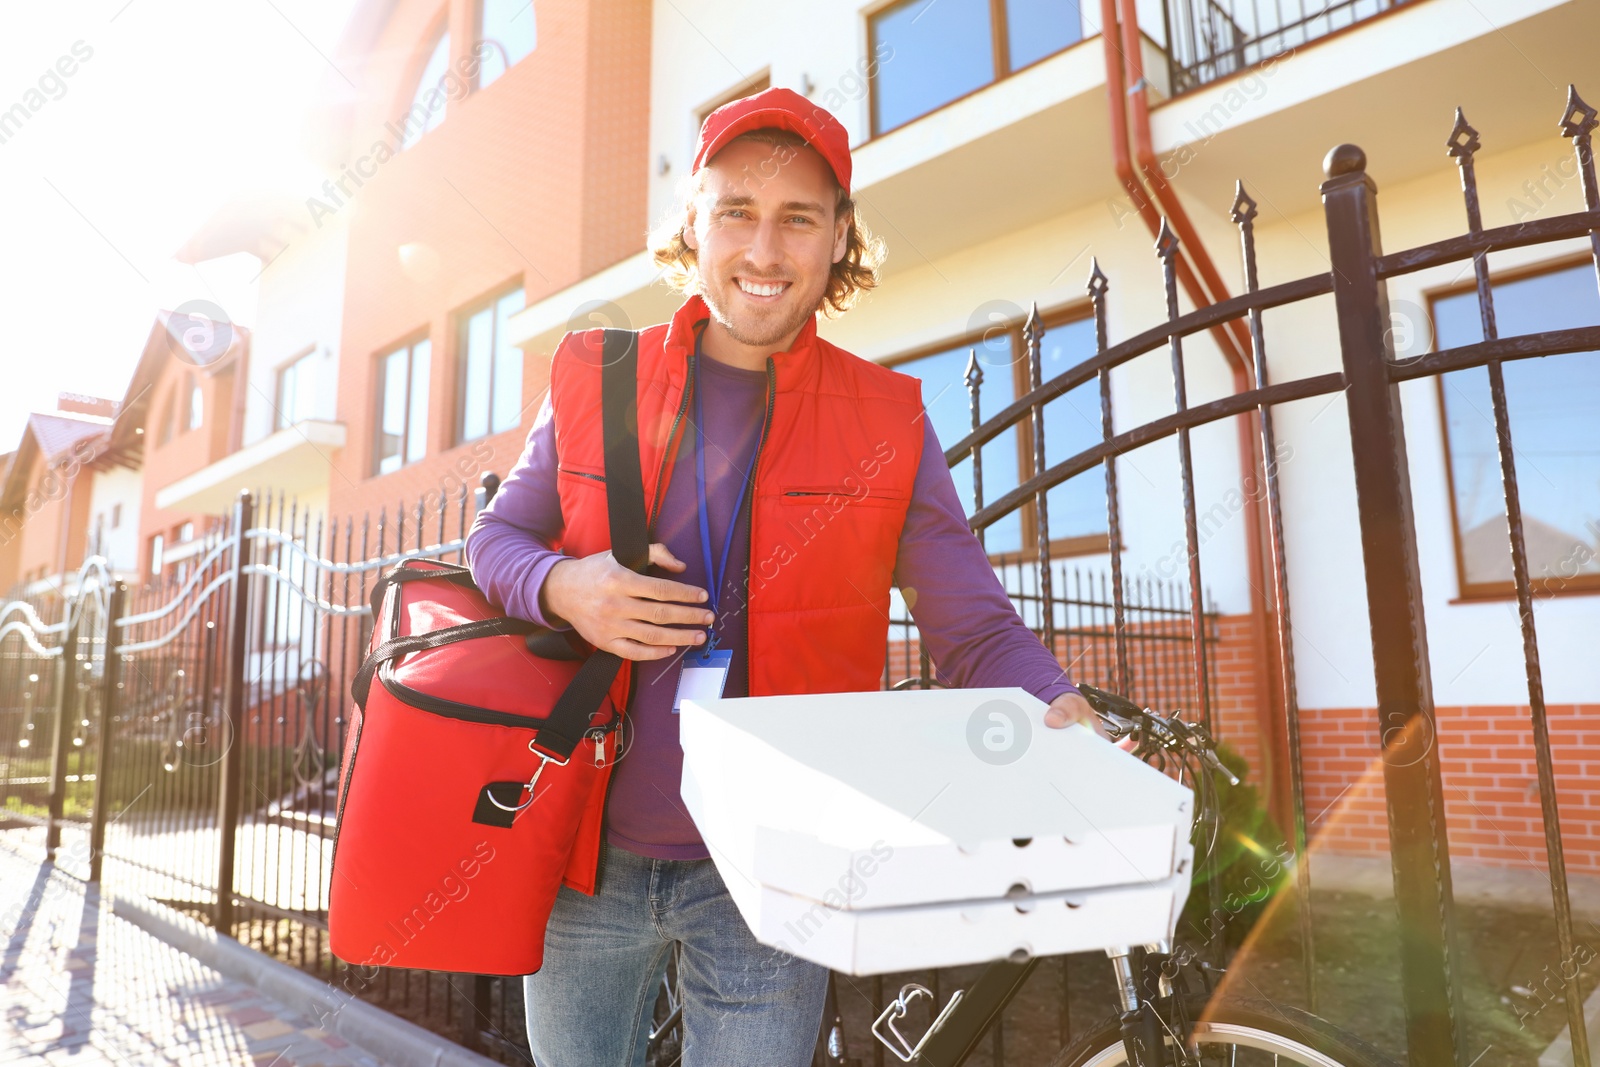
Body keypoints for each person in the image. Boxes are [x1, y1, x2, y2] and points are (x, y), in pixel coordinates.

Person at [465, 86, 1098, 1067]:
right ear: (693, 222)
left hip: (773, 874)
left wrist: (1053, 700)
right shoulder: (595, 376)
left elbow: (970, 625)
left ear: (840, 236)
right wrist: (564, 585)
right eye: (737, 212)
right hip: (585, 859)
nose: (764, 250)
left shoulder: (887, 422)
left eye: (798, 218)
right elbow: (496, 538)